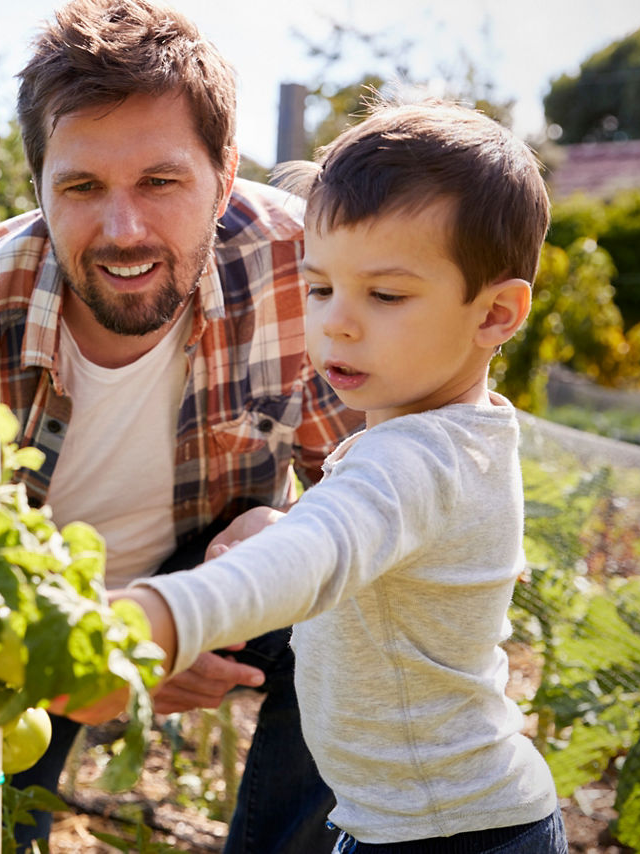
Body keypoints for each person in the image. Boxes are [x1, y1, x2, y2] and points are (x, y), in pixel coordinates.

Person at [0, 1, 363, 849]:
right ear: (37, 189)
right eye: (83, 187)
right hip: (26, 624)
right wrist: (81, 658)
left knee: (358, 610)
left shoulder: (301, 271)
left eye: (161, 182)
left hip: (225, 581)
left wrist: (277, 533)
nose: (124, 229)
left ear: (225, 170)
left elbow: (382, 480)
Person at [110, 98, 568, 853]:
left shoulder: (413, 453)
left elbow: (316, 560)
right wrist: (292, 521)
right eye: (321, 288)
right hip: (428, 819)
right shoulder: (460, 432)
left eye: (385, 295)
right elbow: (379, 544)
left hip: (446, 834)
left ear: (494, 316)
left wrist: (158, 617)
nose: (337, 324)